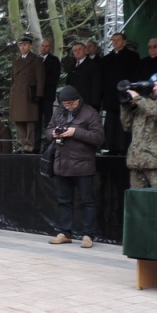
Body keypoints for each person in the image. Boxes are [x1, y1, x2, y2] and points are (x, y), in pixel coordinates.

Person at [45, 85, 104, 249]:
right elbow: (48, 130)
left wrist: (74, 132)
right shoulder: (58, 111)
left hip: (83, 165)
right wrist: (54, 133)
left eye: (70, 103)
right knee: (63, 201)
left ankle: (88, 235)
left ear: (78, 99)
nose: (67, 106)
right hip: (61, 164)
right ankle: (65, 233)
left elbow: (99, 138)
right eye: (65, 103)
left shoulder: (90, 113)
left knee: (87, 201)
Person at [100, 32, 139, 155]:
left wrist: (133, 93)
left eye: (118, 40)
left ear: (124, 42)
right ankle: (110, 147)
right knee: (111, 122)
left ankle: (124, 148)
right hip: (110, 96)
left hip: (126, 95)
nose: (115, 42)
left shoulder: (133, 57)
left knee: (125, 121)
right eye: (113, 40)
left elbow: (135, 76)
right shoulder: (106, 59)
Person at [10, 34, 45, 153]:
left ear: (30, 46)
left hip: (29, 94)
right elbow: (13, 80)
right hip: (18, 95)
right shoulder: (16, 60)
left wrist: (39, 94)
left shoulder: (36, 60)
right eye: (21, 45)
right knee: (19, 121)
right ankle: (21, 146)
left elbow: (40, 79)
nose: (22, 47)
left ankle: (30, 146)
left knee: (30, 122)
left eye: (25, 45)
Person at [37, 38, 62, 152]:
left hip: (47, 95)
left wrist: (42, 87)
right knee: (36, 121)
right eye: (42, 46)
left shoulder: (54, 60)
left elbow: (54, 78)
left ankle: (48, 144)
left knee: (48, 120)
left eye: (46, 46)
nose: (44, 48)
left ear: (50, 47)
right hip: (36, 97)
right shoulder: (37, 60)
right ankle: (36, 145)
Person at [64, 42, 102, 110]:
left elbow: (96, 86)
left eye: (79, 49)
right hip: (73, 102)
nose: (77, 52)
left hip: (87, 103)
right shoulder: (72, 66)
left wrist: (94, 105)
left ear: (85, 50)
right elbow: (68, 83)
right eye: (75, 50)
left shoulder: (93, 65)